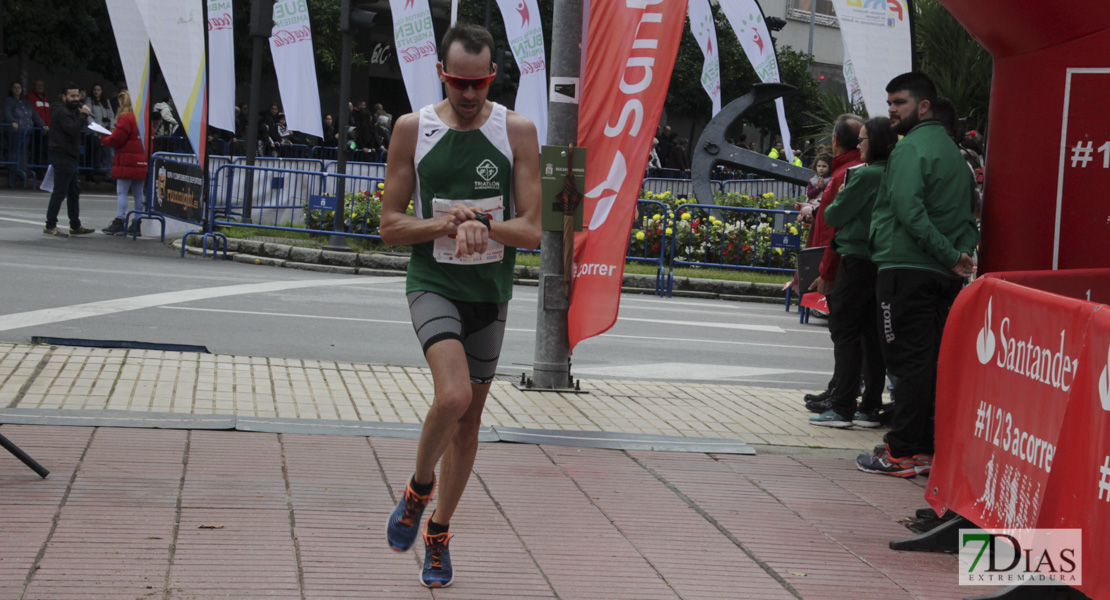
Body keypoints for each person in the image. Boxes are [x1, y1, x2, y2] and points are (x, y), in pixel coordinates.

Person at [379, 22, 541, 589]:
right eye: (457, 83)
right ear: (442, 75)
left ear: (492, 77)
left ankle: (439, 532)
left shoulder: (517, 131)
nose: (468, 95)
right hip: (433, 281)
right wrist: (444, 223)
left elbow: (534, 230)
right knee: (451, 396)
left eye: (479, 83)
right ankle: (418, 488)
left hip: (489, 294)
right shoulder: (412, 129)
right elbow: (390, 226)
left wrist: (487, 227)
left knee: (470, 421)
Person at [856, 72, 979, 478]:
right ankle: (922, 448)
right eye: (890, 103)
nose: (891, 111)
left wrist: (948, 256)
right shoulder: (956, 157)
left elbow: (908, 212)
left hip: (904, 269)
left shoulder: (910, 151)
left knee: (907, 363)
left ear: (923, 106)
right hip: (938, 275)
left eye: (900, 103)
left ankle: (902, 451)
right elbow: (968, 219)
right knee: (928, 362)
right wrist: (959, 257)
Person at [808, 116, 898, 429]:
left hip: (856, 257)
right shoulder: (896, 172)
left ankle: (842, 404)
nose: (860, 145)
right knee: (873, 336)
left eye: (864, 139)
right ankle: (870, 404)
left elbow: (834, 213)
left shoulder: (864, 175)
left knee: (845, 332)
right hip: (883, 261)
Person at [43, 83, 95, 237]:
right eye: (72, 96)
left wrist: (86, 119)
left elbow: (80, 126)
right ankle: (50, 225)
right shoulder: (62, 111)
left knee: (74, 192)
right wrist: (83, 115)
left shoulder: (72, 111)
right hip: (62, 156)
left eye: (77, 95)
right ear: (64, 97)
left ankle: (75, 225)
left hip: (71, 156)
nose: (76, 99)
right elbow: (72, 129)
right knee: (60, 192)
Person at [98, 90, 147, 236]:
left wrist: (103, 138)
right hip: (141, 160)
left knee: (122, 192)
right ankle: (137, 223)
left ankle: (120, 220)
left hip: (126, 160)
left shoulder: (126, 118)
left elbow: (116, 139)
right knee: (139, 193)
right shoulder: (144, 118)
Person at [85, 83, 115, 175]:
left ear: (101, 91)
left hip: (106, 130)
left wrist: (112, 127)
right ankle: (95, 170)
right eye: (95, 90)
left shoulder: (106, 101)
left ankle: (110, 173)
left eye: (98, 90)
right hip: (94, 131)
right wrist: (94, 128)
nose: (96, 92)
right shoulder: (89, 100)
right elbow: (88, 115)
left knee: (110, 151)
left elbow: (111, 114)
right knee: (96, 149)